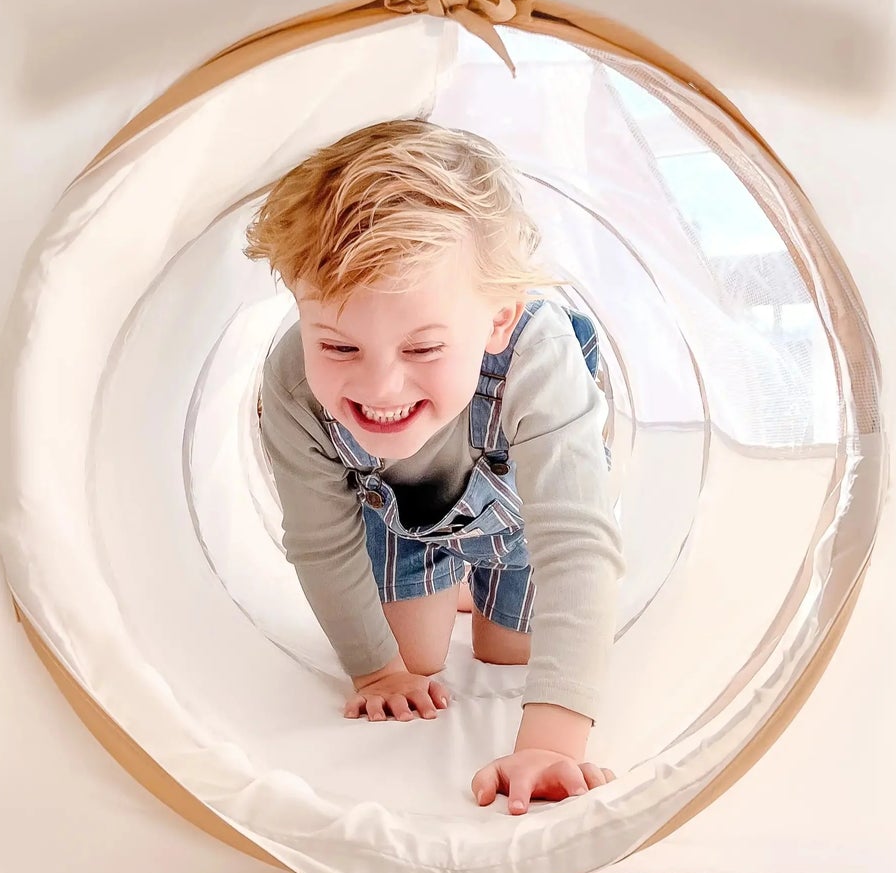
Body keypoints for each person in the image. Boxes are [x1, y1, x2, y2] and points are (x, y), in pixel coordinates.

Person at [246, 118, 623, 815]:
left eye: (421, 350)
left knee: (510, 653)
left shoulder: (536, 353)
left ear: (497, 320)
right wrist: (376, 668)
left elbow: (573, 538)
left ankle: (479, 580)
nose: (381, 386)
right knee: (415, 667)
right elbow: (320, 538)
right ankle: (447, 576)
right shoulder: (292, 383)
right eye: (336, 346)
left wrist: (552, 739)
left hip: (523, 523)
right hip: (402, 523)